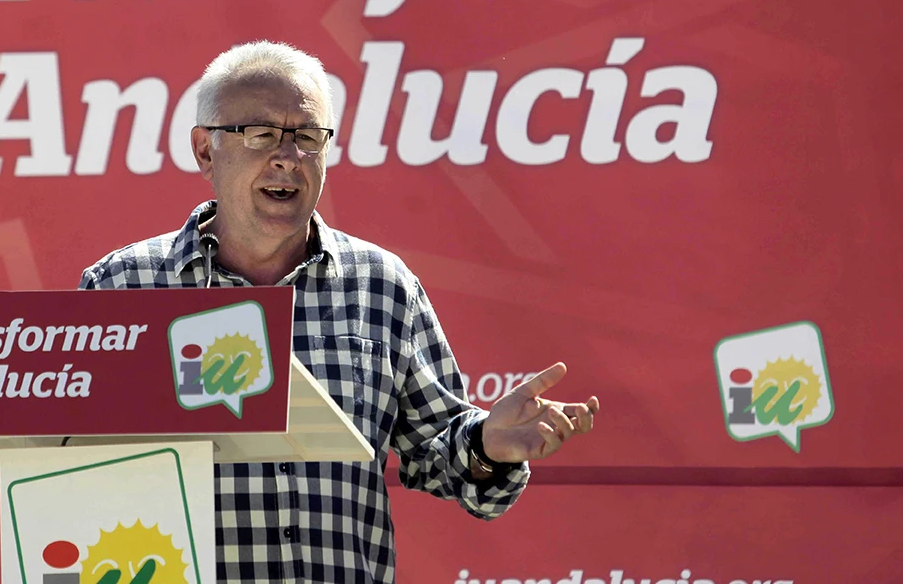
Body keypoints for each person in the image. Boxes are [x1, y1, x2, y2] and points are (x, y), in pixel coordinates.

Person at [79, 40, 600, 583]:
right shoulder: (123, 288)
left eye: (308, 137)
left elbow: (438, 452)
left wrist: (489, 445)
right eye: (260, 135)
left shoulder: (381, 287)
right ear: (205, 151)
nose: (288, 157)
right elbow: (73, 469)